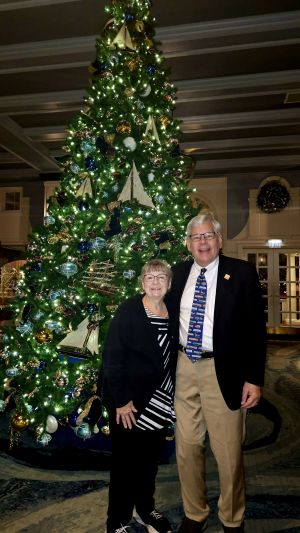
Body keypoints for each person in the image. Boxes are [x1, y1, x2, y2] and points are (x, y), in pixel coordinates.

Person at [166, 211, 266, 533]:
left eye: (209, 235)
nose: (203, 242)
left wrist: (253, 378)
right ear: (187, 243)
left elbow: (255, 329)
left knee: (228, 453)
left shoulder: (242, 273)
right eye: (196, 237)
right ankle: (195, 513)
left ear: (220, 240)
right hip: (183, 367)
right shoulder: (176, 275)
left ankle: (231, 518)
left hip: (223, 369)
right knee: (187, 447)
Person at [101, 259, 176, 533]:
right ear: (142, 282)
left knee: (148, 463)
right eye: (149, 277)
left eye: (161, 277)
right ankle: (117, 520)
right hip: (130, 403)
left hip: (161, 400)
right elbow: (112, 357)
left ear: (169, 283)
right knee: (125, 466)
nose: (155, 282)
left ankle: (145, 509)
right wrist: (120, 400)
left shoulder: (172, 310)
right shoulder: (129, 310)